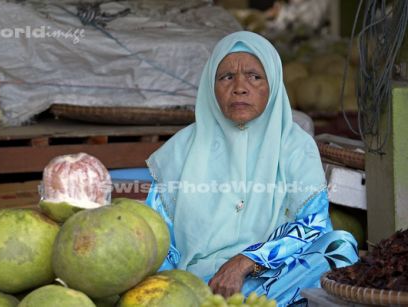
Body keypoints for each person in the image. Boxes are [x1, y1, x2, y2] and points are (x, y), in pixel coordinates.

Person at [145, 31, 358, 306]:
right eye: (226, 77)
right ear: (210, 87)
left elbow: (314, 226)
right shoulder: (178, 151)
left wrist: (247, 260)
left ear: (273, 84)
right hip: (196, 284)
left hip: (268, 276)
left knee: (339, 247)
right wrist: (177, 291)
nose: (240, 87)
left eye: (254, 76)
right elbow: (158, 237)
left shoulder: (296, 146)